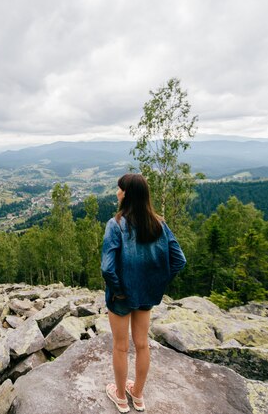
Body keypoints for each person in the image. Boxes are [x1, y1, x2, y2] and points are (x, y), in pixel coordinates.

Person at [101, 173, 186, 412]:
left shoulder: (115, 224)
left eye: (119, 189)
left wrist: (118, 291)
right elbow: (179, 260)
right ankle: (137, 396)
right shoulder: (159, 224)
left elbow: (107, 268)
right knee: (142, 344)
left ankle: (120, 397)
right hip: (145, 296)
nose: (116, 192)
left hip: (121, 298)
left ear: (126, 194)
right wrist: (156, 283)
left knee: (120, 346)